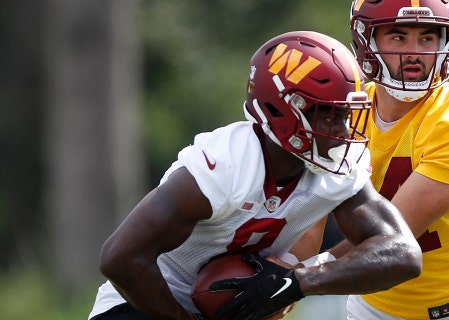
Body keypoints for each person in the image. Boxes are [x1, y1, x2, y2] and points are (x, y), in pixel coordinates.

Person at [87, 30, 422, 320]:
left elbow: (402, 253)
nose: (342, 130)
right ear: (280, 110)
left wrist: (299, 282)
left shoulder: (338, 167)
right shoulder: (224, 165)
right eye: (328, 116)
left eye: (346, 115)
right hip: (146, 305)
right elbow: (120, 257)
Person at [318, 1, 449, 319]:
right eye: (399, 38)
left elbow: (391, 235)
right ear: (365, 42)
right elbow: (308, 216)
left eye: (427, 38)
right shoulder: (347, 112)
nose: (414, 52)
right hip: (374, 308)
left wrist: (299, 278)